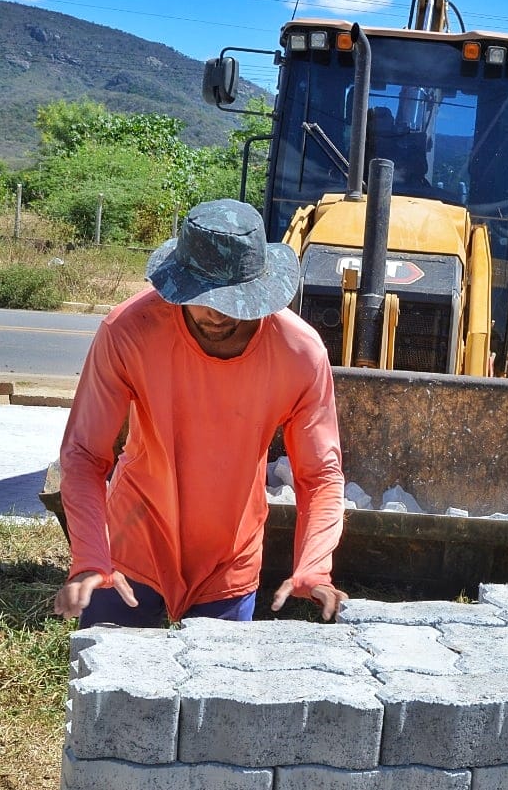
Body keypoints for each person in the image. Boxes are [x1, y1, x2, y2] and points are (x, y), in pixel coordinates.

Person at [53, 198, 348, 627]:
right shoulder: (130, 332)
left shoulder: (299, 353)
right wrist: (91, 556)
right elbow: (84, 454)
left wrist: (314, 565)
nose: (215, 312)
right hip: (133, 545)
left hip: (231, 556)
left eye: (232, 299)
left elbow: (319, 474)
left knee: (219, 691)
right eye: (201, 295)